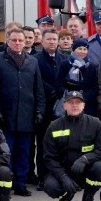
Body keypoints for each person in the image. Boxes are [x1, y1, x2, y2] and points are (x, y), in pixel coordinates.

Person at [0, 27, 45, 197]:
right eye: (14, 40)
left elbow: (38, 89)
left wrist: (39, 110)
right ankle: (5, 184)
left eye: (21, 40)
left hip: (27, 116)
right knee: (6, 153)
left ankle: (20, 183)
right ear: (8, 41)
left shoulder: (32, 61)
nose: (18, 43)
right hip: (6, 116)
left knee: (24, 152)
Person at [41, 90, 101, 201]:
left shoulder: (95, 123)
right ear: (64, 105)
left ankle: (88, 199)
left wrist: (85, 158)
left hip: (87, 169)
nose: (74, 105)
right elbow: (48, 158)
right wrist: (63, 177)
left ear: (83, 105)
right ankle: (66, 196)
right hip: (64, 171)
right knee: (50, 186)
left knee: (100, 169)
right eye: (70, 102)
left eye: (78, 102)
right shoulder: (54, 126)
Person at [33, 29, 67, 189]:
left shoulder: (64, 59)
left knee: (61, 143)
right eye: (49, 39)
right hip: (44, 108)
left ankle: (60, 174)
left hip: (61, 108)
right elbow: (36, 80)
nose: (52, 42)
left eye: (55, 39)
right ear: (42, 41)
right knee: (43, 143)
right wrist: (52, 90)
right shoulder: (35, 60)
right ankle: (43, 176)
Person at [57, 38, 100, 117]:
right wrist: (70, 96)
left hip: (87, 105)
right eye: (80, 48)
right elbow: (58, 83)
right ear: (74, 50)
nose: (82, 51)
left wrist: (83, 97)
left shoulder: (92, 66)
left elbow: (95, 87)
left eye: (85, 49)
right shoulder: (65, 64)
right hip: (69, 103)